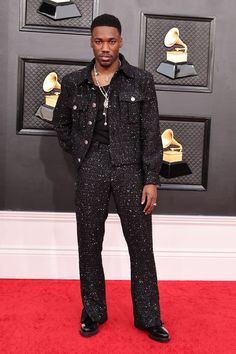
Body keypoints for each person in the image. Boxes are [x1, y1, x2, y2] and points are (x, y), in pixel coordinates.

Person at [53, 13, 170, 343]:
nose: (105, 47)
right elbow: (61, 124)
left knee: (141, 247)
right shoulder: (74, 81)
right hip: (91, 167)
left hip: (131, 168)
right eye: (99, 41)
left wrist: (151, 180)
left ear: (121, 41)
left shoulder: (141, 80)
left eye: (112, 41)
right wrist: (81, 152)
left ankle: (149, 317)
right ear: (91, 42)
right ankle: (93, 311)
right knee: (89, 245)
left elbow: (151, 132)